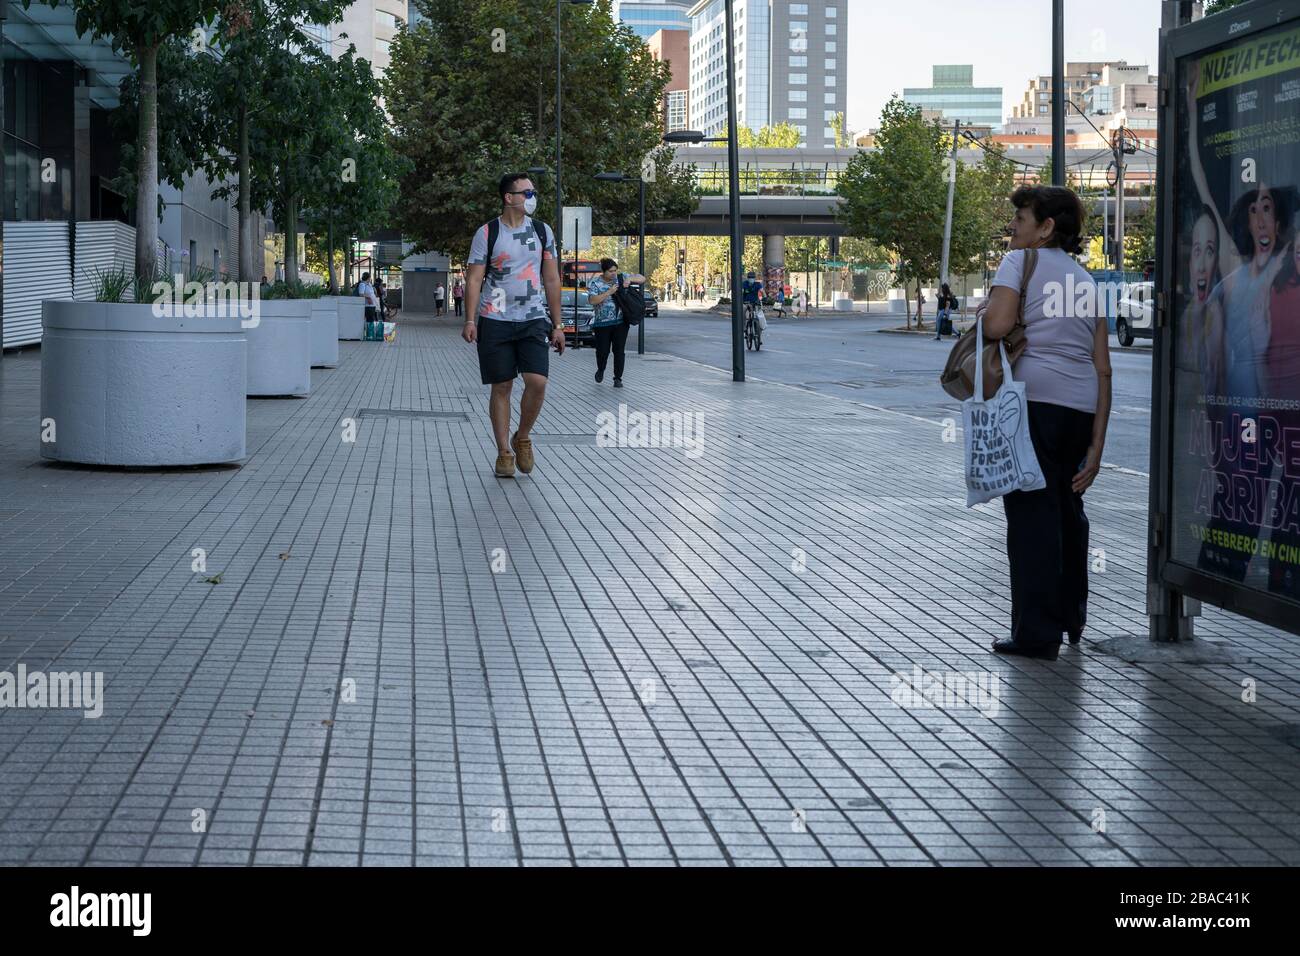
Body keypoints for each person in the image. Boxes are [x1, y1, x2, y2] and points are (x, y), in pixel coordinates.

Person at [980, 185, 1112, 661]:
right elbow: (1103, 368)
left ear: (1046, 227)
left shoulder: (1019, 263)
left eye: (1021, 217)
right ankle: (1071, 615)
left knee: (1032, 515)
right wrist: (1096, 447)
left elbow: (995, 327)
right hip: (1080, 409)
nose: (1013, 226)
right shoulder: (1086, 281)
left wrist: (982, 314)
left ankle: (1037, 634)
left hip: (1033, 404)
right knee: (1067, 509)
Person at [462, 172, 564, 478]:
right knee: (502, 386)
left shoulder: (543, 232)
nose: (532, 198)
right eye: (526, 193)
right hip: (495, 318)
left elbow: (551, 278)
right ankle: (504, 451)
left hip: (533, 318)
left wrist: (557, 324)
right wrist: (470, 319)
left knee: (537, 382)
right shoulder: (488, 232)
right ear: (509, 198)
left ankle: (523, 436)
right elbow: (475, 278)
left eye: (533, 192)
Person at [585, 257, 646, 388]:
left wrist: (630, 279)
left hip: (620, 323)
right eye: (611, 271)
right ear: (604, 271)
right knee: (603, 351)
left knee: (619, 351)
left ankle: (618, 378)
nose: (613, 273)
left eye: (615, 271)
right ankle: (601, 369)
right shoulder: (595, 283)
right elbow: (592, 300)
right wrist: (609, 292)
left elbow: (642, 278)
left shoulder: (620, 278)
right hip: (602, 324)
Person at [358, 271, 381, 338]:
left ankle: (370, 333)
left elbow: (373, 293)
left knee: (371, 319)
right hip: (367, 305)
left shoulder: (369, 284)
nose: (370, 279)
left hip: (372, 305)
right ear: (368, 278)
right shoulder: (362, 284)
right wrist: (368, 298)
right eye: (370, 278)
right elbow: (361, 294)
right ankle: (369, 334)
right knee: (369, 319)